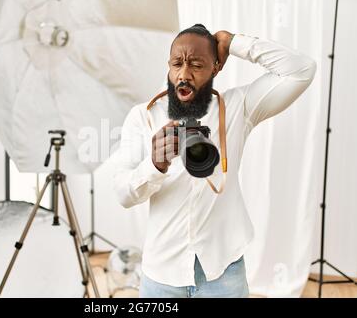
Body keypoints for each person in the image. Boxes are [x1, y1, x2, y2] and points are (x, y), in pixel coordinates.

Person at [113, 24, 316, 298]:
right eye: (177, 64)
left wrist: (233, 42)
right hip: (162, 274)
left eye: (197, 64)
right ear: (168, 66)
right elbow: (123, 195)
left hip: (223, 272)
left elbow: (302, 70)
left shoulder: (237, 107)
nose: (184, 74)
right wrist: (154, 164)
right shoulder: (143, 117)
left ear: (216, 67)